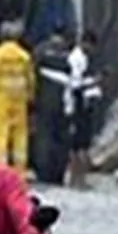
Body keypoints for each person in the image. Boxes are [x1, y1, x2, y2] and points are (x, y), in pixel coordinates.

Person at [0, 21, 36, 173]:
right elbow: (30, 79)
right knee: (20, 136)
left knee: (0, 134)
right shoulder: (24, 56)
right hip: (19, 100)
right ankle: (19, 172)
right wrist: (30, 97)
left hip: (1, 99)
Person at [32, 25, 73, 184]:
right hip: (64, 102)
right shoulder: (69, 53)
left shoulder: (41, 50)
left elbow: (33, 73)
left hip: (44, 101)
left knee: (44, 136)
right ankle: (58, 173)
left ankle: (44, 172)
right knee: (61, 138)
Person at [66, 29, 102, 188]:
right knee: (79, 143)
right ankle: (78, 179)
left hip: (82, 103)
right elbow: (76, 85)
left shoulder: (83, 58)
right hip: (77, 104)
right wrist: (94, 82)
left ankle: (78, 179)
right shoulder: (77, 59)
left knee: (80, 143)